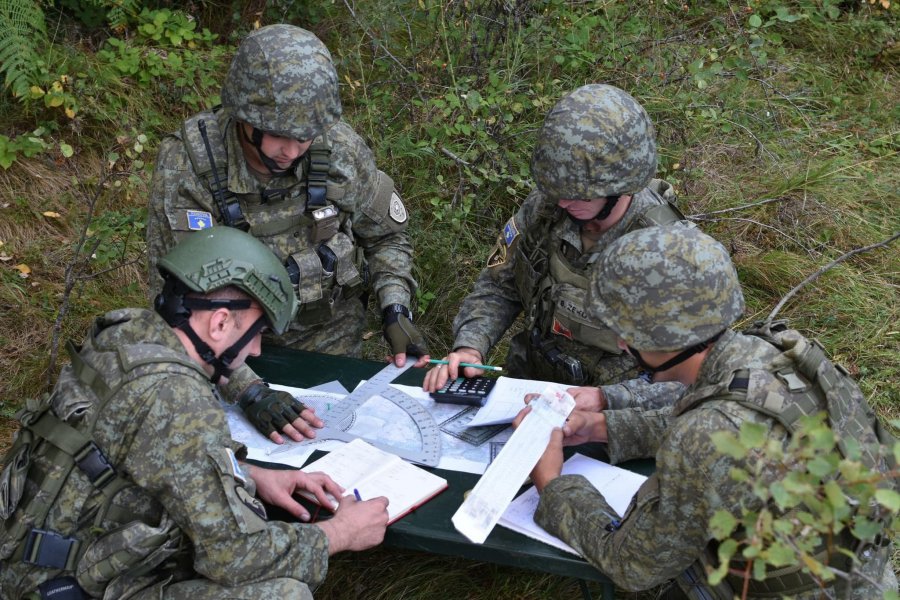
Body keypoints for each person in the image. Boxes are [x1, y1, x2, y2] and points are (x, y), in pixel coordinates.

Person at [0, 228, 390, 599]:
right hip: (67, 588)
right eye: (256, 333)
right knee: (284, 592)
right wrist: (339, 533)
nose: (255, 350)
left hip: (29, 559)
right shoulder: (178, 399)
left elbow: (136, 454)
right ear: (220, 322)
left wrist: (251, 475)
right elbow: (233, 555)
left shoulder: (125, 335)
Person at [519, 226, 896, 598]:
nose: (620, 342)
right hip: (863, 575)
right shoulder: (771, 352)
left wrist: (552, 483)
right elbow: (728, 428)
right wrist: (604, 428)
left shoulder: (703, 434)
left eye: (627, 331)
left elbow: (632, 564)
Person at [146, 24, 429, 443]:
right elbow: (177, 302)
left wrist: (395, 307)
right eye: (279, 136)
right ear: (245, 116)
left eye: (304, 138)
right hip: (226, 352)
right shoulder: (191, 167)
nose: (292, 152)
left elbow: (386, 237)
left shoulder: (341, 150)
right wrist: (247, 389)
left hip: (330, 341)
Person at [423, 84, 687, 412]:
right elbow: (498, 287)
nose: (563, 201)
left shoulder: (669, 250)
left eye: (578, 194)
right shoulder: (545, 209)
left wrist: (604, 405)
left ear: (620, 186)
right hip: (529, 394)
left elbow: (684, 381)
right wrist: (470, 348)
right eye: (556, 189)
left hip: (611, 418)